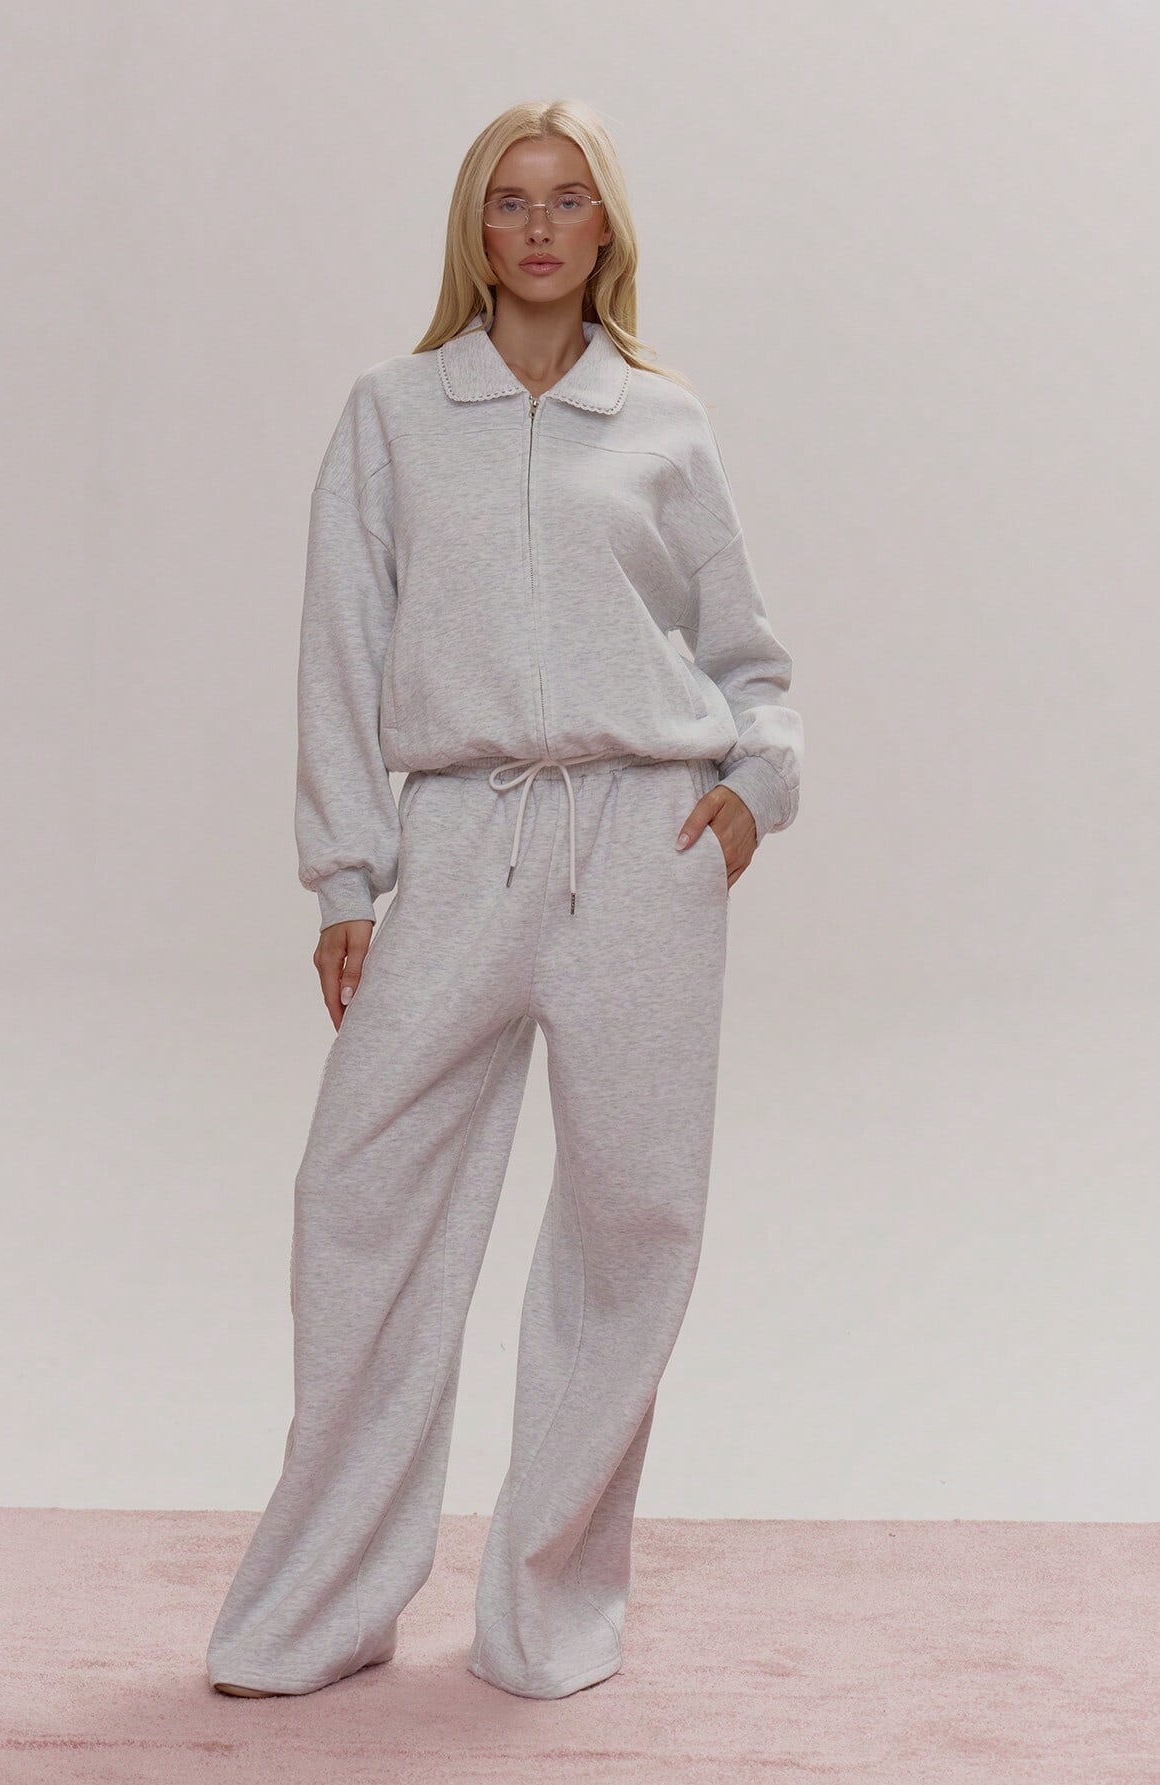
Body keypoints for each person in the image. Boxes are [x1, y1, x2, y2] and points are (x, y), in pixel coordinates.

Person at [206, 97, 804, 1703]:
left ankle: (548, 1609)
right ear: (475, 230)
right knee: (359, 1194)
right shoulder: (397, 414)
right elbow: (342, 639)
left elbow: (749, 651)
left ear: (607, 228)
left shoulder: (661, 420)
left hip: (643, 845)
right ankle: (323, 1603)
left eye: (568, 200)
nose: (539, 228)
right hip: (464, 836)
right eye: (510, 202)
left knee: (632, 1223)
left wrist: (750, 794)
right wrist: (347, 873)